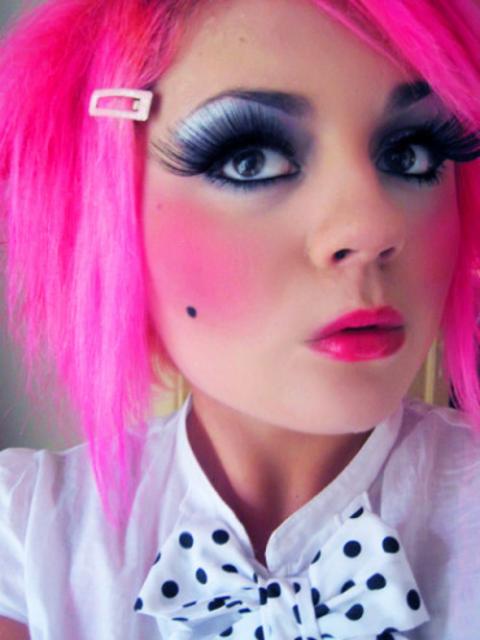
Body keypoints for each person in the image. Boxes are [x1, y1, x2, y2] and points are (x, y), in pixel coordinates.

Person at [1, 0, 480, 637]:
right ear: (104, 202)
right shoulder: (29, 538)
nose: (372, 227)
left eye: (412, 153)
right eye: (249, 160)